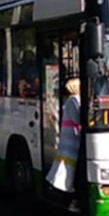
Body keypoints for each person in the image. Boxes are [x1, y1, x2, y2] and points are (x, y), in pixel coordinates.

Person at [45, 73, 81, 204]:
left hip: (69, 137)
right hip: (71, 138)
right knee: (67, 165)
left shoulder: (72, 100)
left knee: (64, 164)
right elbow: (77, 119)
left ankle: (60, 186)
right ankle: (63, 188)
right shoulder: (73, 100)